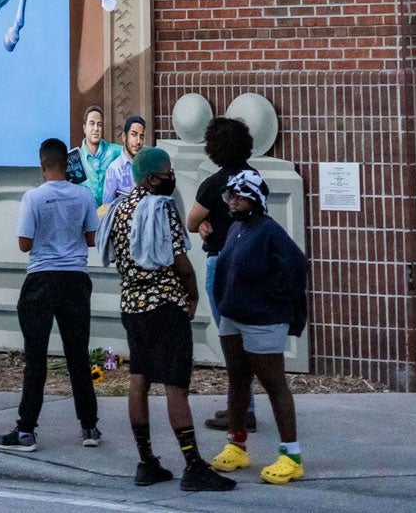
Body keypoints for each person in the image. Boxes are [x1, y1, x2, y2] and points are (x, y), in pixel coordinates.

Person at [106, 146, 233, 494]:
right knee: (176, 385)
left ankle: (146, 462)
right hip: (164, 305)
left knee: (139, 378)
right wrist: (192, 295)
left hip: (132, 306)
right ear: (151, 178)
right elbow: (180, 261)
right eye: (167, 172)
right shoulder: (161, 208)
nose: (171, 177)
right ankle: (193, 465)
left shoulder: (120, 208)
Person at [0, 137, 101, 454]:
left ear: (42, 166)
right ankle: (89, 426)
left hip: (41, 278)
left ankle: (26, 430)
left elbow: (24, 244)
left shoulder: (33, 198)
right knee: (78, 356)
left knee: (35, 358)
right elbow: (92, 238)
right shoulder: (83, 195)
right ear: (67, 165)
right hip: (76, 279)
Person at [210, 168, 308, 486]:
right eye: (231, 196)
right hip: (234, 317)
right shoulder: (237, 228)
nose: (233, 201)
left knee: (273, 383)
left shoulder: (269, 231)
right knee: (237, 380)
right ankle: (237, 445)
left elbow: (296, 266)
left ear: (254, 199)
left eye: (240, 196)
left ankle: (291, 457)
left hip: (263, 321)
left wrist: (269, 300)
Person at [186, 115, 258, 433]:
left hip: (222, 264)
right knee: (247, 339)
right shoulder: (254, 178)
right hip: (252, 265)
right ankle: (244, 407)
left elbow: (191, 220)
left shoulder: (215, 184)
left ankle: (241, 411)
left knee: (230, 340)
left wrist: (203, 223)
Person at [67, 104, 122, 207]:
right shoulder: (75, 159)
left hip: (109, 215)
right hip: (86, 215)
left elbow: (135, 152)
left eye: (99, 124)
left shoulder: (114, 151)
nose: (96, 128)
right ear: (84, 128)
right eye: (92, 124)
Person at [101, 113, 146, 206]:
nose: (138, 141)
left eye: (141, 137)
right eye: (133, 135)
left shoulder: (146, 166)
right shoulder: (114, 169)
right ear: (124, 137)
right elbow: (107, 207)